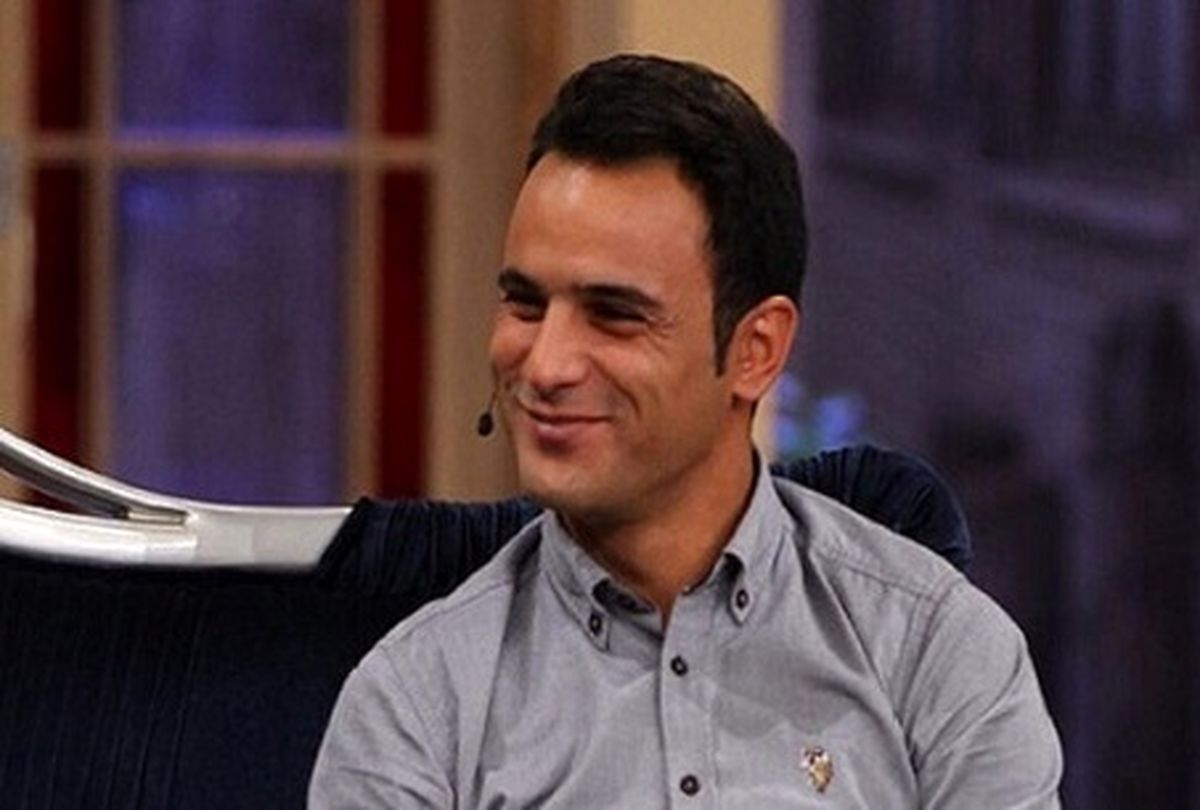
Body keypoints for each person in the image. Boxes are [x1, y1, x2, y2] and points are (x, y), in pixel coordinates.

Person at [309, 54, 1061, 807]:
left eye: (614, 314)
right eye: (526, 304)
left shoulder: (936, 651)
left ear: (756, 350)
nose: (545, 365)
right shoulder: (414, 705)